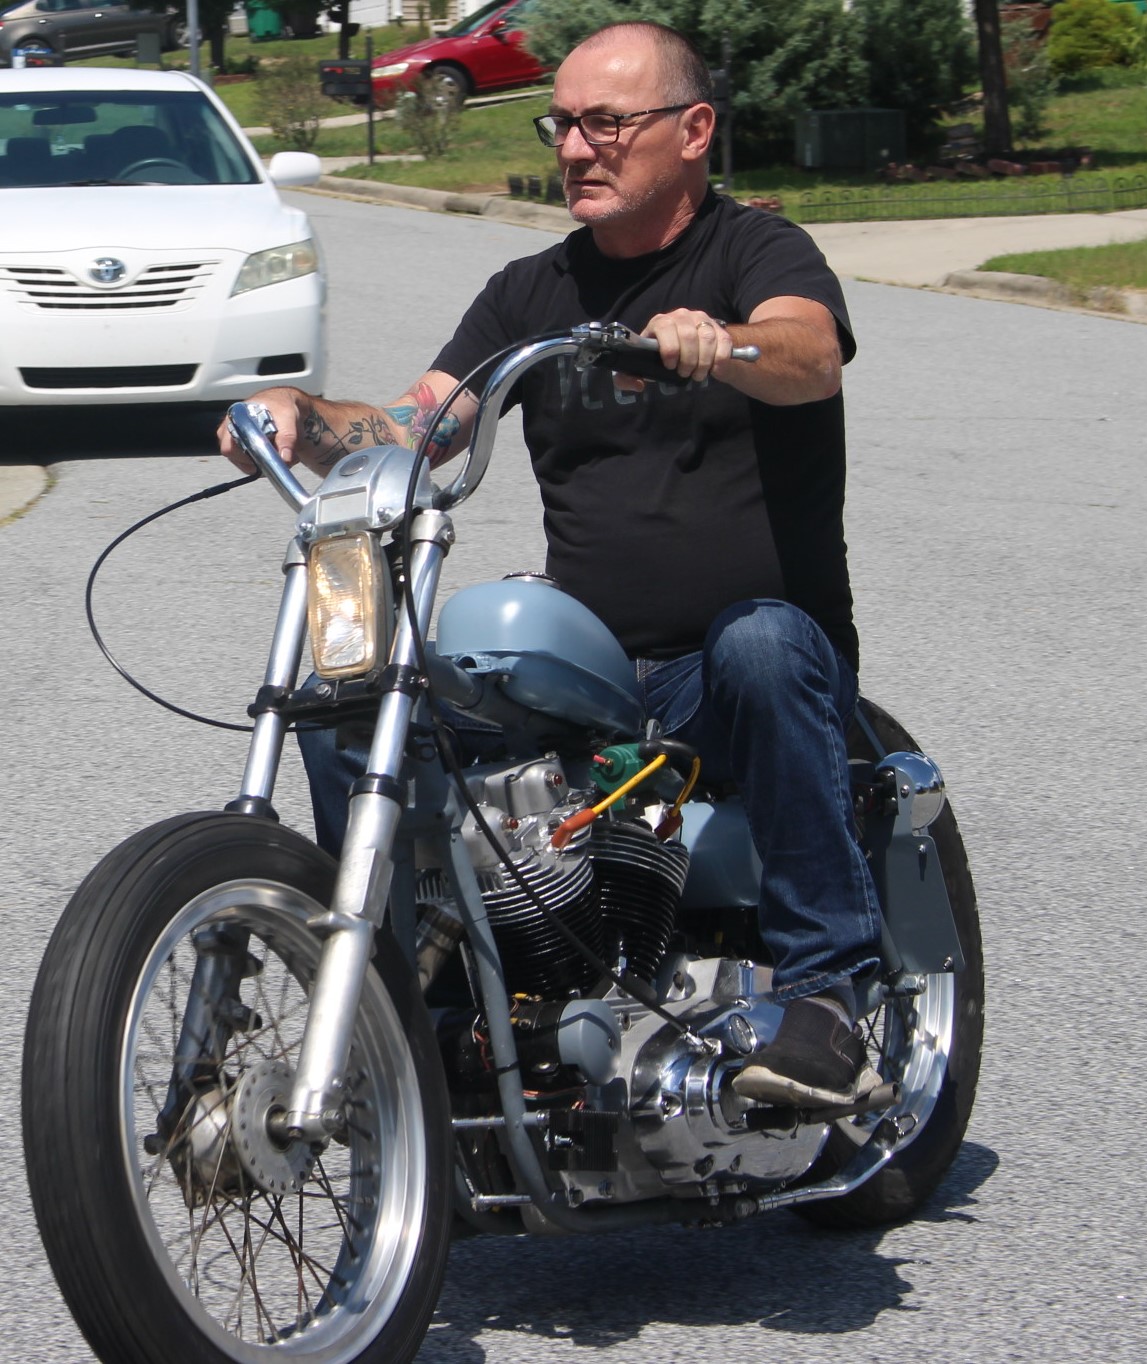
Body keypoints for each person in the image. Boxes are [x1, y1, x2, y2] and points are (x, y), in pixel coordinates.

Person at [218, 20, 882, 1108]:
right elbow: (422, 422)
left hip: (732, 677)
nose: (575, 148)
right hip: (593, 686)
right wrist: (304, 418)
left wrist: (724, 341)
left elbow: (809, 353)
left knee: (759, 642)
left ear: (693, 130)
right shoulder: (531, 293)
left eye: (606, 123)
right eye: (562, 124)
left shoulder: (755, 252)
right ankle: (416, 1017)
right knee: (358, 707)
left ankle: (829, 994)